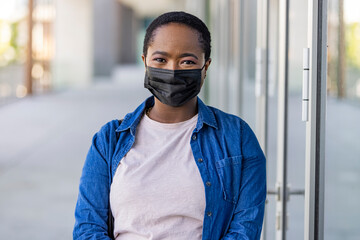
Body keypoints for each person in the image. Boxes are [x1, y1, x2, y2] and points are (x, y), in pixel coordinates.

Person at [73, 11, 266, 240]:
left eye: (187, 61)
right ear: (145, 61)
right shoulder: (108, 140)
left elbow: (244, 231)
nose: (172, 70)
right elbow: (88, 229)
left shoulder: (238, 138)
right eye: (161, 59)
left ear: (205, 67)